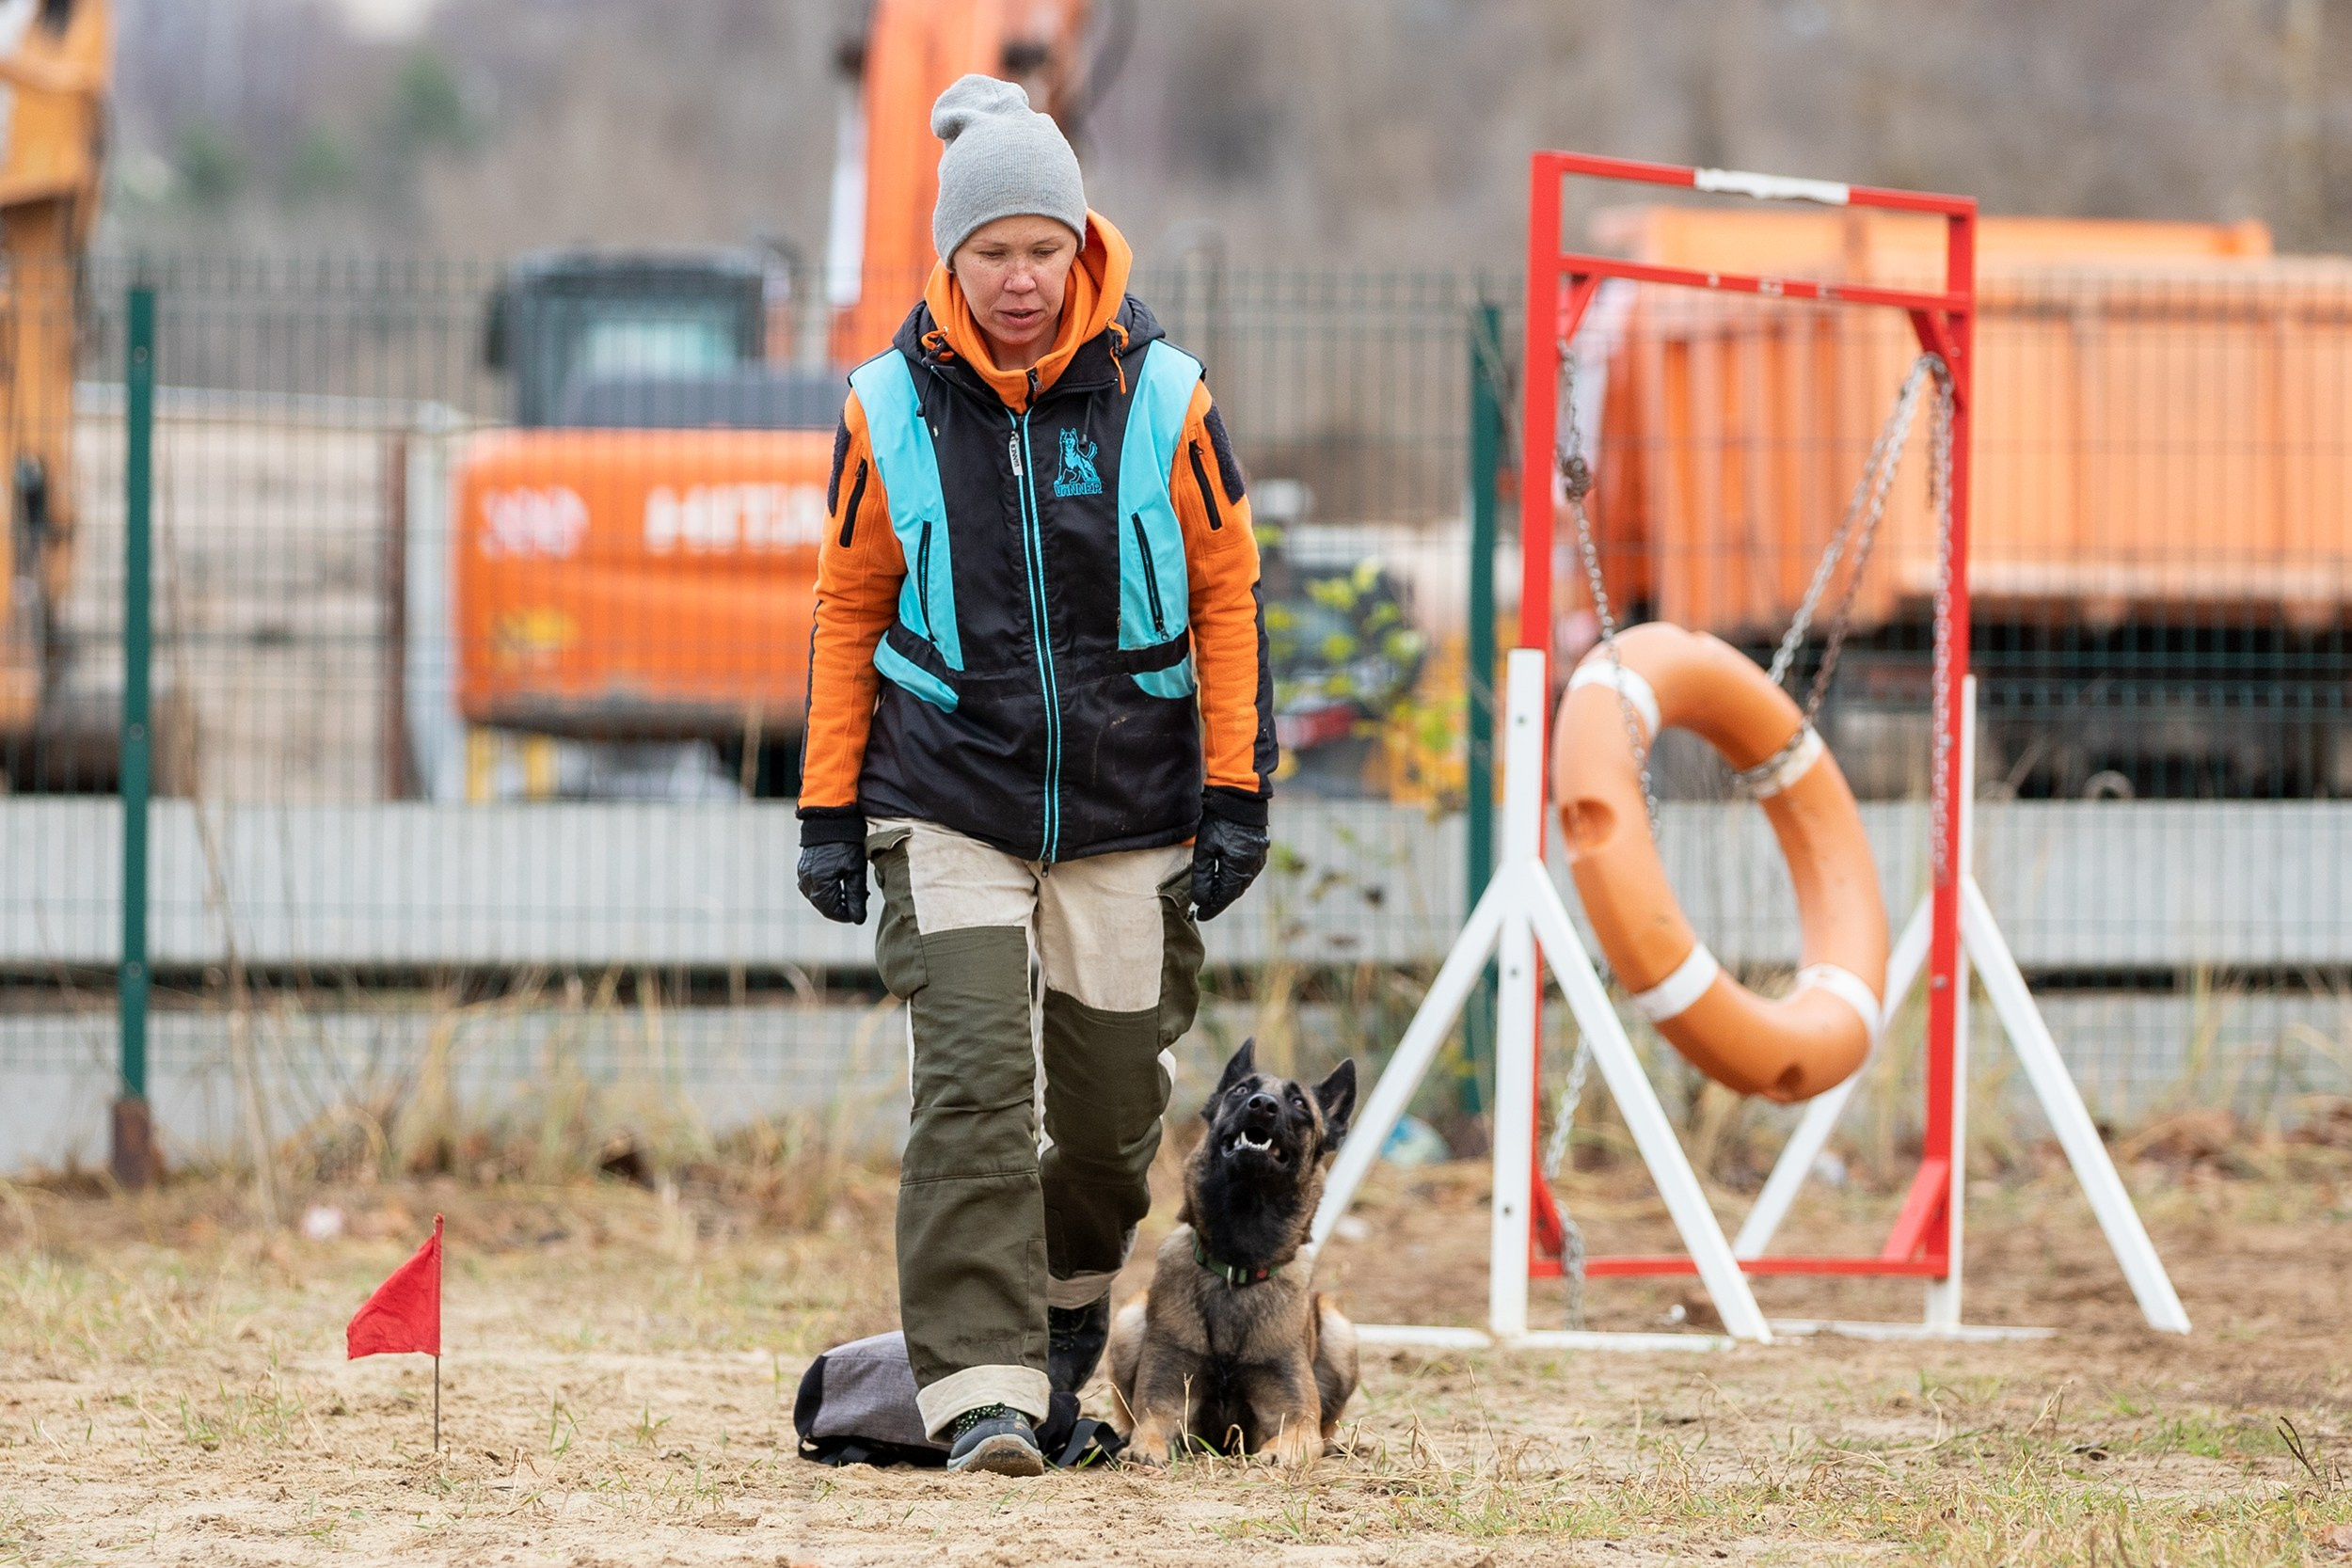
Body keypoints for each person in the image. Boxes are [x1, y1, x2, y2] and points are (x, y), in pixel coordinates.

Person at [794, 73, 1276, 1477]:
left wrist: (1237, 789)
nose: (1020, 278)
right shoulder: (887, 406)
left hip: (1130, 804)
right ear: (951, 257)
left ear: (1081, 246)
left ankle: (1065, 1322)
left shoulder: (1165, 394)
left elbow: (1230, 592)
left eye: (1042, 249)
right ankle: (983, 1397)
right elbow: (846, 609)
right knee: (974, 1089)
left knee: (1117, 1115)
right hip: (944, 792)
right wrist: (827, 809)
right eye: (993, 251)